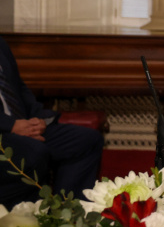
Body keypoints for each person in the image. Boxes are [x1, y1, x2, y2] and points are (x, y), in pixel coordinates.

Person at [0, 36, 103, 208]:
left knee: (87, 141)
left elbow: (18, 87)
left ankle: (69, 216)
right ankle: (29, 220)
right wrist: (11, 126)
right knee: (34, 151)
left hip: (21, 123)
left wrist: (38, 119)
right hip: (4, 132)